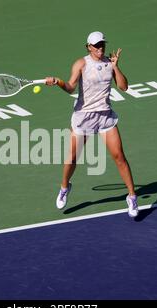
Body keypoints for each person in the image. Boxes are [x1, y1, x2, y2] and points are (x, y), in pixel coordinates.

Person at [45, 31, 139, 218]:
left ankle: (132, 197)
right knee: (72, 158)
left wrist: (115, 67)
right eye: (96, 45)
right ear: (88, 47)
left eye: (102, 44)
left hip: (105, 116)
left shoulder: (109, 64)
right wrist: (57, 82)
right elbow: (71, 87)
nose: (100, 48)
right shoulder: (81, 63)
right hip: (84, 117)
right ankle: (64, 187)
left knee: (119, 157)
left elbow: (124, 87)